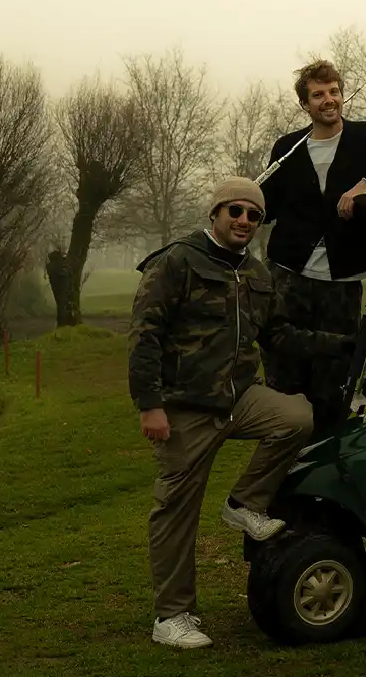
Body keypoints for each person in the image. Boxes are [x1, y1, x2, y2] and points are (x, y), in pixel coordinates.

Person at [129, 177, 352, 649]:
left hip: (239, 398)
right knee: (176, 512)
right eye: (236, 211)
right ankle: (172, 616)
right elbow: (145, 335)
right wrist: (151, 405)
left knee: (295, 418)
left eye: (253, 215)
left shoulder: (256, 274)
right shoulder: (178, 262)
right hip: (185, 407)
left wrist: (343, 343)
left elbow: (279, 336)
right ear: (215, 213)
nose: (245, 221)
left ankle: (245, 503)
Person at [259, 59, 366, 428]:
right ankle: (285, 467)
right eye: (318, 94)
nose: (329, 100)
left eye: (334, 91)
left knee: (335, 379)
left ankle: (328, 464)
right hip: (289, 277)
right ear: (305, 105)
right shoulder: (288, 147)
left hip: (342, 282)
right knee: (284, 376)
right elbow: (266, 208)